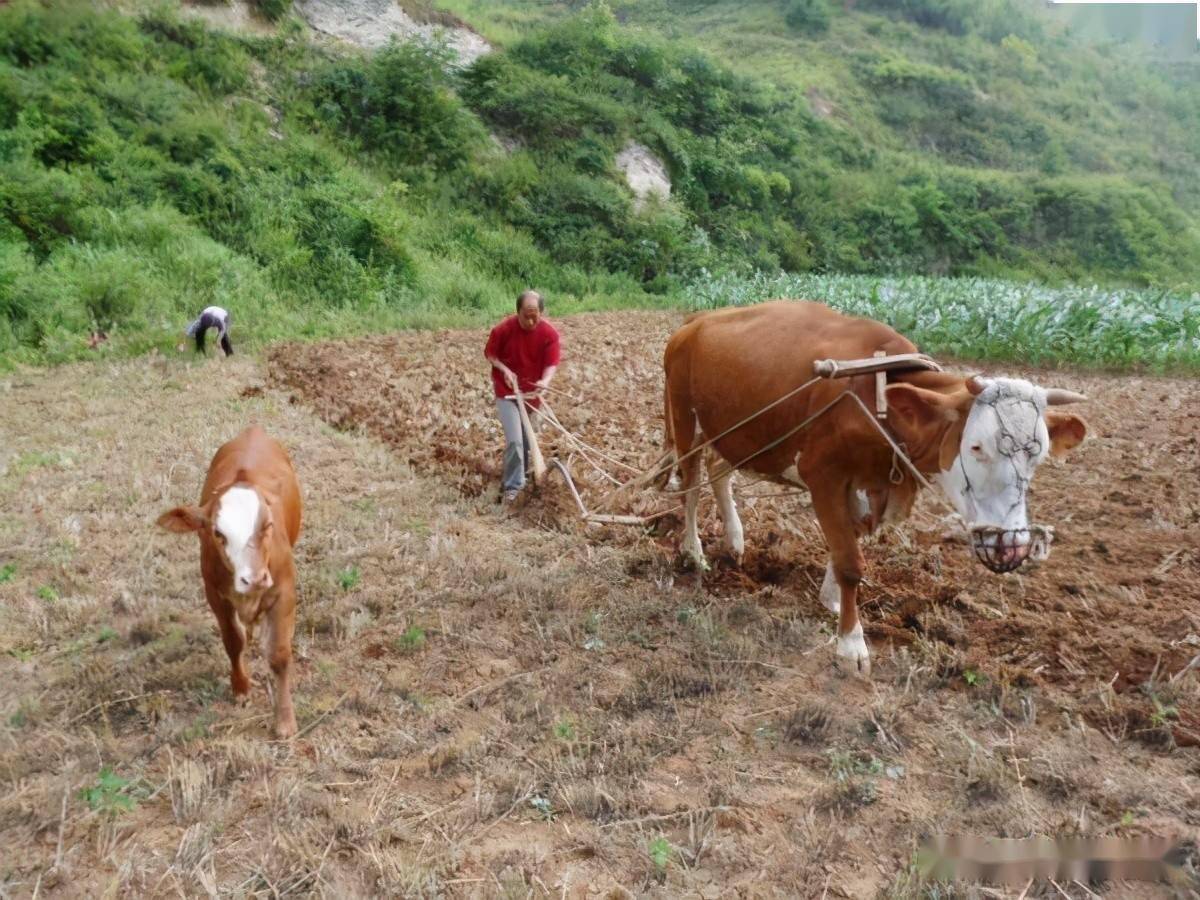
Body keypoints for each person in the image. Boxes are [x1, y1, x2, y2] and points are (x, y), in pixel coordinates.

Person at [484, 290, 561, 503]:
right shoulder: (503, 329)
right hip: (507, 393)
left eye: (535, 314)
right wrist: (504, 370)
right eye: (525, 315)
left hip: (532, 394)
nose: (530, 320)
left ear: (542, 312)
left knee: (528, 442)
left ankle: (526, 481)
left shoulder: (549, 334)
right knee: (515, 442)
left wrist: (545, 382)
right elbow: (490, 354)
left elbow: (551, 364)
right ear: (517, 312)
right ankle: (513, 488)